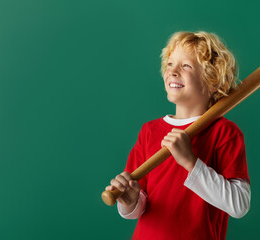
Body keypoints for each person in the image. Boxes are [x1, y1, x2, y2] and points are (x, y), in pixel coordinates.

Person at [105, 31, 251, 240]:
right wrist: (130, 202)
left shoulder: (225, 133)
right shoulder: (149, 131)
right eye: (170, 64)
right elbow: (140, 205)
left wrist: (191, 162)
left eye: (186, 66)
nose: (172, 71)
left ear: (212, 81)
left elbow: (239, 205)